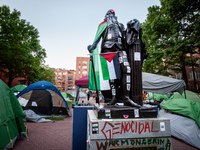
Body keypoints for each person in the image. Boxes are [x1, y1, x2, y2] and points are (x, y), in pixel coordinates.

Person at [88, 9, 140, 107]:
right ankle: (114, 97)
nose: (111, 15)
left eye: (112, 14)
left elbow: (126, 36)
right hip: (107, 50)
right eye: (109, 14)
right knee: (111, 75)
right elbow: (97, 38)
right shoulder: (102, 25)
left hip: (120, 49)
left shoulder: (120, 25)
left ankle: (126, 97)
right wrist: (92, 46)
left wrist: (132, 26)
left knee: (127, 69)